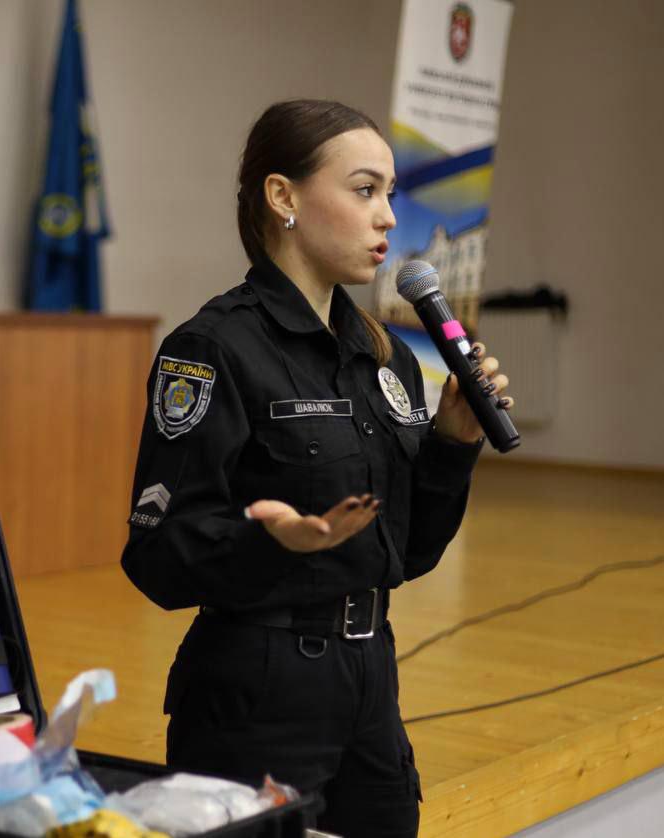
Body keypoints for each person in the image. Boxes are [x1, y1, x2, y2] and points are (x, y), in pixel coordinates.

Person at [119, 100, 514, 838]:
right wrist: (270, 542)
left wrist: (453, 445)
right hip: (258, 690)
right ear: (283, 197)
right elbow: (156, 557)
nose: (388, 216)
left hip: (370, 680)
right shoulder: (213, 349)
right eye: (365, 190)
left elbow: (409, 553)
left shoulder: (382, 358)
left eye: (390, 192)